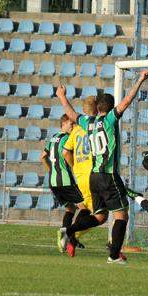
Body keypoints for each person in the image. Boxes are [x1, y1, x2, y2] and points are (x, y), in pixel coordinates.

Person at [57, 70, 148, 264]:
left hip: (93, 177)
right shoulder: (110, 119)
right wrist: (140, 80)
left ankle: (70, 230)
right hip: (108, 175)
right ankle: (114, 255)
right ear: (110, 109)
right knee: (121, 215)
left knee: (100, 217)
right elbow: (127, 100)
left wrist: (62, 97)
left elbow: (72, 114)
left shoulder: (88, 122)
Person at [41, 115, 87, 252]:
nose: (73, 126)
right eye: (71, 124)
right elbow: (68, 154)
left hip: (53, 181)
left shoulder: (53, 138)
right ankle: (71, 235)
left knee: (70, 209)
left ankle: (65, 237)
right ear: (64, 123)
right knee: (86, 208)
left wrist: (51, 170)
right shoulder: (67, 138)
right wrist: (75, 168)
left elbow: (42, 156)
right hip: (66, 181)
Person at [62, 95, 97, 247]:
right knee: (99, 214)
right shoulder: (97, 125)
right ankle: (71, 234)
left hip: (80, 176)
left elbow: (65, 152)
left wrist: (74, 167)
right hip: (94, 175)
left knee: (88, 210)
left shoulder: (77, 129)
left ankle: (72, 236)